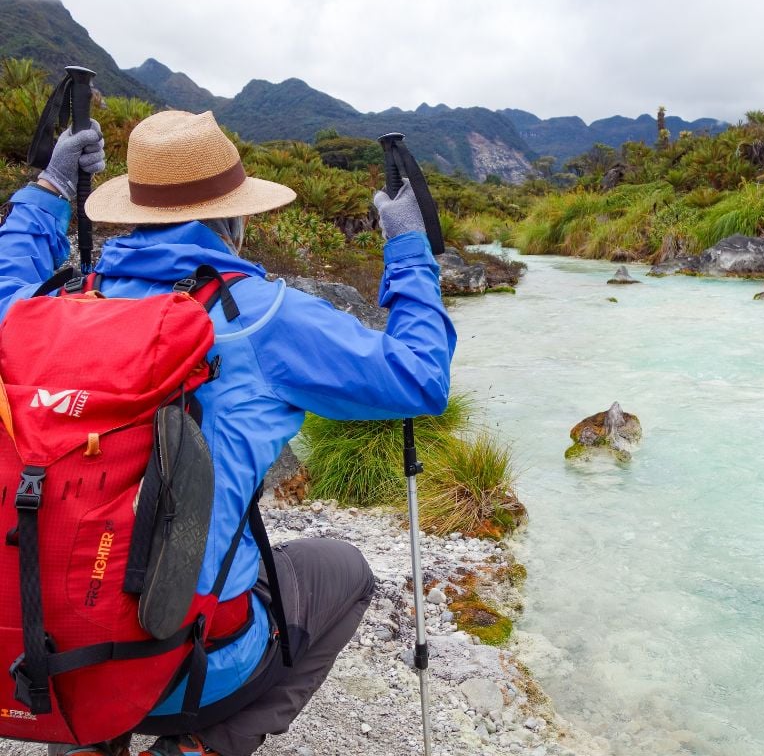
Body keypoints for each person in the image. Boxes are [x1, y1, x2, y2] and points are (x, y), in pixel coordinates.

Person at [0, 110, 456, 756]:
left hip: (54, 656)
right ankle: (199, 748)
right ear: (234, 223)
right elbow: (419, 376)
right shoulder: (260, 318)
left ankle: (90, 739)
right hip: (191, 668)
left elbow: (8, 278)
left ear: (132, 212)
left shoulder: (53, 310)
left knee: (81, 570)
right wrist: (409, 251)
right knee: (346, 573)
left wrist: (48, 192)